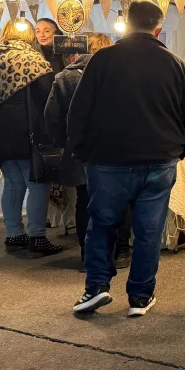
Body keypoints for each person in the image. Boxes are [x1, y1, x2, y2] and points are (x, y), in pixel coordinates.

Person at [69, 2, 185, 317]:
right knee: (148, 231)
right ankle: (140, 297)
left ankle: (96, 287)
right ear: (158, 28)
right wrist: (180, 150)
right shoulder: (175, 64)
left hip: (108, 160)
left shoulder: (102, 60)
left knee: (102, 224)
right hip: (159, 160)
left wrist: (82, 151)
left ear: (127, 24)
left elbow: (79, 111)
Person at [0, 20, 63, 257]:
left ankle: (14, 235)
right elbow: (49, 94)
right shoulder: (31, 59)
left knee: (13, 183)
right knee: (37, 183)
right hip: (24, 132)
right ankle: (37, 237)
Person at [44, 33, 132, 270]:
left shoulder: (66, 76)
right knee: (121, 200)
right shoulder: (123, 74)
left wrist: (65, 141)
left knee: (86, 202)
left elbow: (51, 117)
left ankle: (88, 255)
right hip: (118, 148)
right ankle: (121, 251)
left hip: (80, 150)